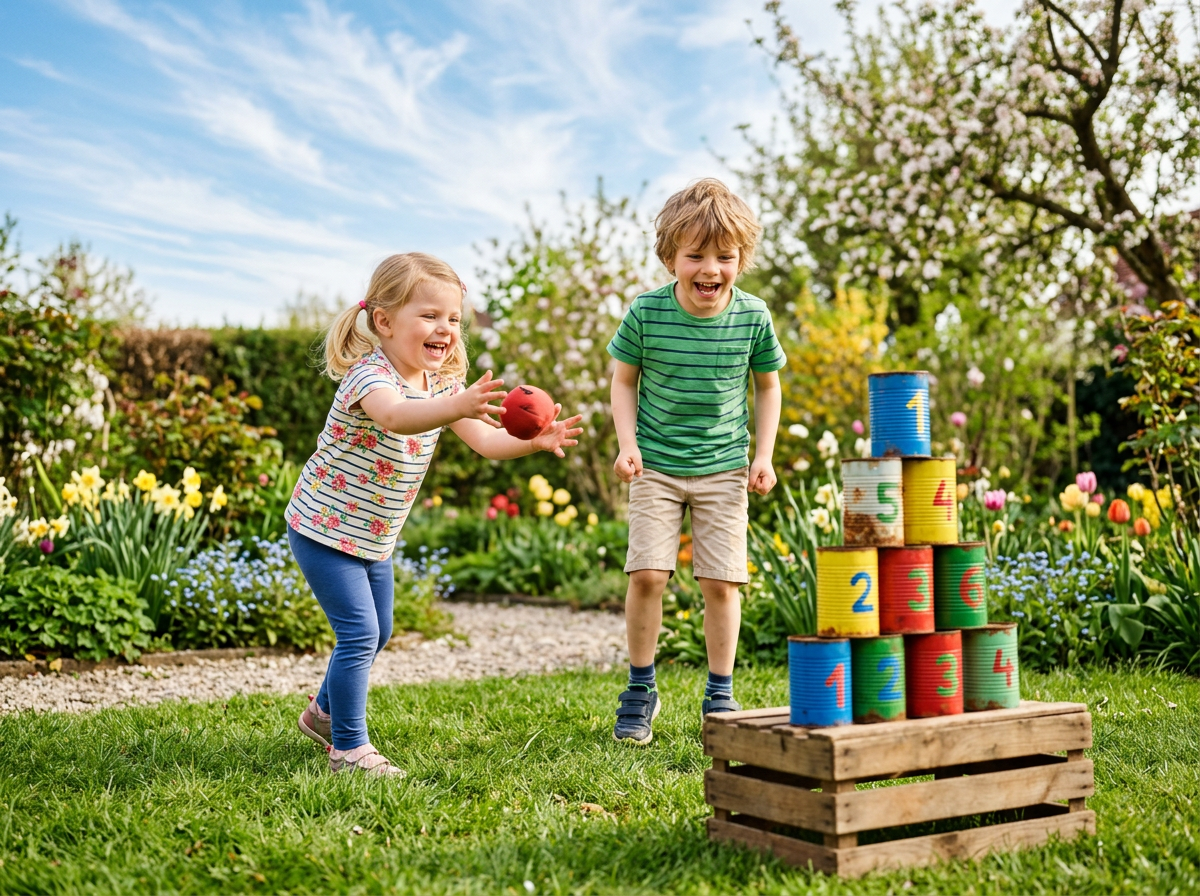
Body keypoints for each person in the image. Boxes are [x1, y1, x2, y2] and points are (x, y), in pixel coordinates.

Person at [287, 252, 582, 776]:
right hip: (323, 529)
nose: (445, 328)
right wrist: (456, 406)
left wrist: (534, 442)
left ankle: (323, 714)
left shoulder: (442, 386)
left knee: (380, 630)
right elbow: (397, 416)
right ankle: (349, 749)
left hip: (373, 537)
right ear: (384, 321)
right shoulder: (369, 376)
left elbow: (488, 442)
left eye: (453, 318)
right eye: (429, 315)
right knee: (358, 633)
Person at [606, 178, 784, 745]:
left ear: (742, 260)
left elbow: (768, 387)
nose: (711, 269)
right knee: (648, 574)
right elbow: (623, 381)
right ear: (670, 258)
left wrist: (763, 455)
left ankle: (720, 692)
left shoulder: (753, 317)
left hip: (725, 467)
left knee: (721, 583)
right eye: (696, 256)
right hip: (655, 464)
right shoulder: (647, 313)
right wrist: (628, 444)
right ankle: (640, 687)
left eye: (725, 257)